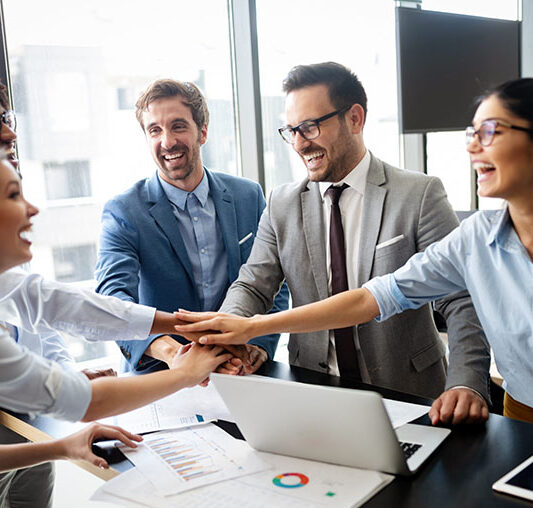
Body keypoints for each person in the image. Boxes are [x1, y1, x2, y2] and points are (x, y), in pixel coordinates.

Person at [175, 78, 533, 424]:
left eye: (310, 127)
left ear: (355, 118)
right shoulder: (282, 203)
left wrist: (466, 381)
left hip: (408, 395)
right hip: (313, 389)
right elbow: (364, 297)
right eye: (291, 131)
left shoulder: (418, 194)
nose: (299, 143)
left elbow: (460, 301)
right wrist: (232, 339)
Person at [0, 155, 231, 476]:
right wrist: (185, 374)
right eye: (13, 195)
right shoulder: (125, 208)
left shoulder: (8, 281)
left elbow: (63, 305)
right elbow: (84, 402)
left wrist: (178, 324)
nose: (33, 208)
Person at [95, 78, 288, 374]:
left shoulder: (248, 196)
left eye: (178, 126)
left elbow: (275, 280)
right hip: (161, 372)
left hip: (240, 370)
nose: (167, 141)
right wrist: (174, 354)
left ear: (203, 131)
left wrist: (258, 344)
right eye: (155, 130)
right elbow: (113, 300)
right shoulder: (124, 211)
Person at [0, 82, 114, 508]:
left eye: (9, 127)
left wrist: (62, 375)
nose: (31, 209)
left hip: (24, 424)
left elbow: (36, 310)